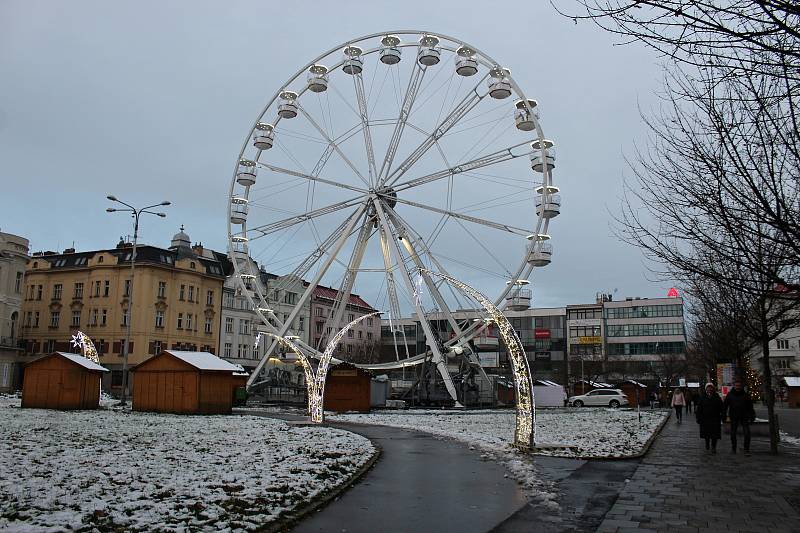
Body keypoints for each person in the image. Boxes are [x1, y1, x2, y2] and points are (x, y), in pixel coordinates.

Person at [724, 378, 756, 455]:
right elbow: (725, 406)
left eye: (739, 385)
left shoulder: (745, 395)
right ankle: (733, 448)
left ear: (741, 386)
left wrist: (752, 416)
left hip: (744, 416)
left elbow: (750, 407)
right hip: (734, 416)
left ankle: (746, 449)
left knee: (747, 433)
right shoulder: (730, 395)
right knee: (733, 433)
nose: (738, 387)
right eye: (736, 385)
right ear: (734, 386)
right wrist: (723, 415)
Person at [696, 382, 724, 453]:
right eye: (708, 387)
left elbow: (721, 407)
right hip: (705, 419)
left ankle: (713, 447)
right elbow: (699, 409)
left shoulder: (717, 397)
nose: (710, 389)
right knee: (707, 434)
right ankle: (707, 443)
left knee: (715, 434)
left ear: (713, 388)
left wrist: (723, 416)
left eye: (711, 387)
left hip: (715, 418)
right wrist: (698, 418)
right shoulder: (702, 397)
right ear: (706, 389)